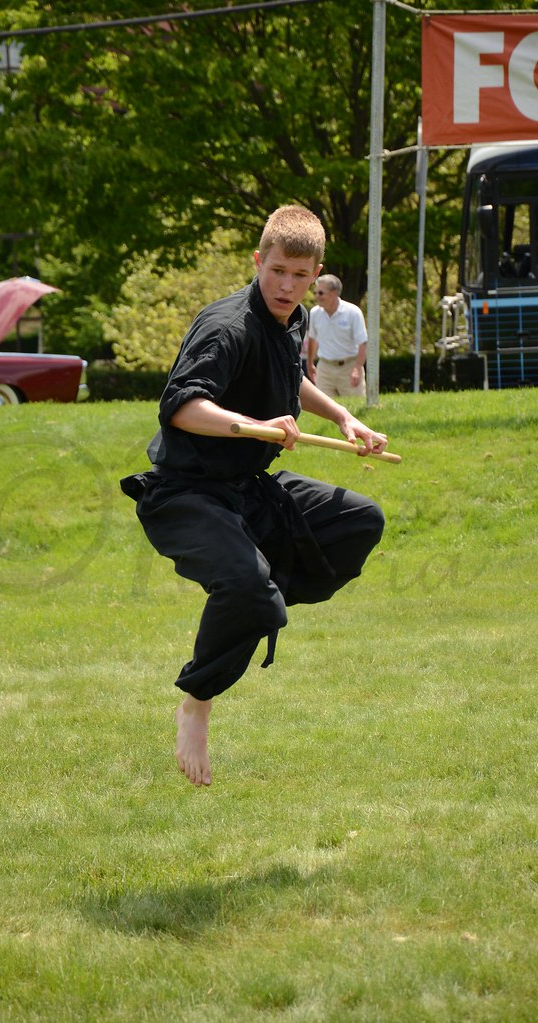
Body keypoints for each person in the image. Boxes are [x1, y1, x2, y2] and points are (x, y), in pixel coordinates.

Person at [121, 206, 387, 787]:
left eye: (300, 275)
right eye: (277, 272)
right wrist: (256, 425)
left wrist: (344, 418)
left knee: (360, 521)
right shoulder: (226, 326)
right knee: (252, 593)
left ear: (317, 273)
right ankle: (196, 699)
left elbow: (289, 376)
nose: (287, 286)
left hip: (249, 489)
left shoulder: (291, 319)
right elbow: (183, 407)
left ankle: (259, 594)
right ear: (258, 262)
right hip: (186, 492)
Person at [306, 275, 368, 397]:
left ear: (334, 293)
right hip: (325, 368)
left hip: (349, 367)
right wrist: (310, 364)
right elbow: (312, 339)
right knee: (322, 410)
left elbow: (363, 342)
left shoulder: (353, 312)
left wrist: (357, 368)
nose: (317, 296)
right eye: (315, 292)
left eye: (321, 293)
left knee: (354, 407)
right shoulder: (314, 313)